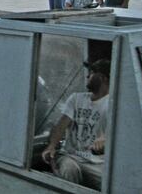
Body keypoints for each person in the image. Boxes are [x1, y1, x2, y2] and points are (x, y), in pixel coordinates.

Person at [41, 59, 110, 190]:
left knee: (111, 185)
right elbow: (61, 126)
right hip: (70, 156)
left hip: (97, 164)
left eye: (91, 73)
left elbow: (118, 136)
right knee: (69, 169)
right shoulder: (76, 98)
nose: (87, 76)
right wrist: (51, 146)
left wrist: (106, 140)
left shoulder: (113, 104)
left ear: (103, 78)